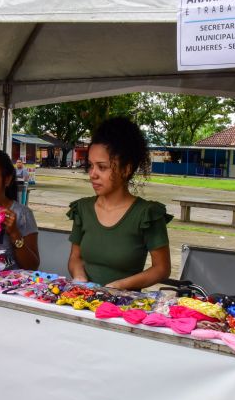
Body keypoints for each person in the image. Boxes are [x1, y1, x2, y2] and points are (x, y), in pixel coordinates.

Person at [67, 117, 172, 289]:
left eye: (102, 167)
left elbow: (161, 268)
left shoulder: (147, 214)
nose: (92, 174)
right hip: (83, 302)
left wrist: (119, 286)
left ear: (126, 169)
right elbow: (75, 258)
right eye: (91, 166)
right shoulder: (82, 209)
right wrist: (80, 278)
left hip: (123, 310)